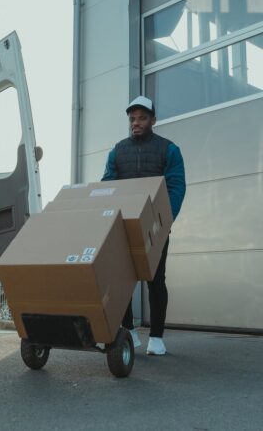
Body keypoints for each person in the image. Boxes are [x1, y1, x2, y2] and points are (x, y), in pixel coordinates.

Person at [102, 96, 186, 356]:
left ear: (153, 120)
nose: (136, 123)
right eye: (132, 119)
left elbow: (176, 186)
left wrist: (165, 220)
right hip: (123, 226)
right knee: (123, 280)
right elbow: (108, 184)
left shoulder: (168, 149)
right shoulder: (118, 150)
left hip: (155, 228)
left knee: (155, 279)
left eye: (141, 118)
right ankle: (129, 332)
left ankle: (157, 338)